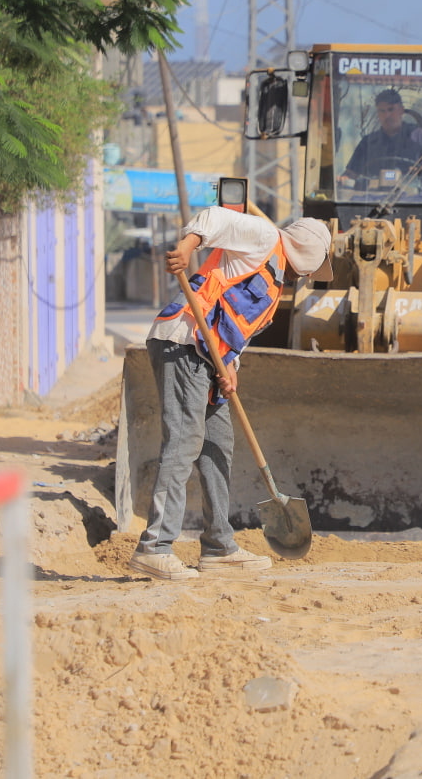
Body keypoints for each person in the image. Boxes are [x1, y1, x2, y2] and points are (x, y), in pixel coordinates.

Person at [129, 207, 334, 580]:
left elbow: (235, 325)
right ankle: (154, 547)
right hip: (184, 340)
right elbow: (216, 218)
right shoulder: (265, 238)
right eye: (310, 268)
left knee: (217, 444)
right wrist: (188, 246)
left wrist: (232, 370)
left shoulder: (274, 285)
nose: (305, 276)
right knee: (185, 442)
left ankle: (219, 546)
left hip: (210, 357)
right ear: (308, 256)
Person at [339, 88, 422, 187]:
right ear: (378, 114)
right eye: (382, 111)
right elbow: (350, 174)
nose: (387, 115)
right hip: (373, 200)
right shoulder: (368, 143)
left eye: (391, 109)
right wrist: (343, 180)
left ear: (401, 110)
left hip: (414, 200)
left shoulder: (419, 137)